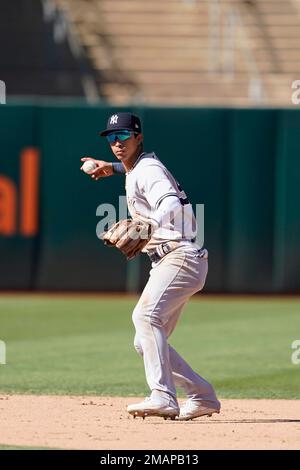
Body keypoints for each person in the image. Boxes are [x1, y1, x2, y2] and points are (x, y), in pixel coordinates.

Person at [81, 112, 221, 420]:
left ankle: (163, 396)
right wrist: (114, 169)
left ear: (138, 137)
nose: (117, 143)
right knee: (145, 341)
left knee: (145, 317)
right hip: (175, 260)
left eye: (124, 137)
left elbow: (169, 203)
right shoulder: (137, 168)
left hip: (180, 256)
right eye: (112, 138)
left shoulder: (148, 170)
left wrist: (147, 225)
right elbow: (135, 171)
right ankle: (202, 395)